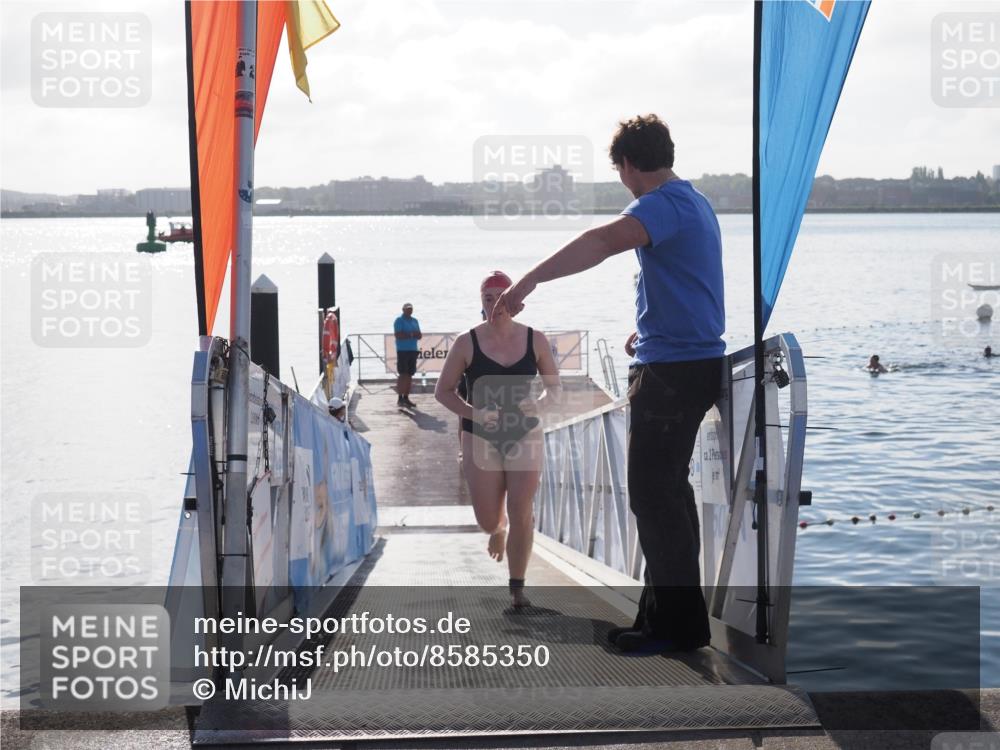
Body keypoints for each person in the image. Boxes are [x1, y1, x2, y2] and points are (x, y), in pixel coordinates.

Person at [492, 114, 724, 652]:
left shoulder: (661, 205)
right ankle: (665, 618)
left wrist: (528, 281)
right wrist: (650, 330)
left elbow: (600, 241)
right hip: (683, 360)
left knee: (654, 496)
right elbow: (691, 281)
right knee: (667, 494)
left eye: (619, 170)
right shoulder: (695, 202)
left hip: (672, 373)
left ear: (628, 165)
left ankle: (676, 628)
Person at [436, 271, 561, 608]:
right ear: (481, 302)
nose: (495, 305)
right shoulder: (466, 342)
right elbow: (442, 392)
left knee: (521, 507)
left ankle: (517, 589)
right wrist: (474, 414)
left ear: (515, 301)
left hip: (524, 431)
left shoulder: (535, 339)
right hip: (479, 435)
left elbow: (554, 389)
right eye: (487, 299)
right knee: (488, 519)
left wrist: (538, 404)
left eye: (501, 298)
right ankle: (498, 529)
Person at [393, 303, 422, 408]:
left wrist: (410, 334)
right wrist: (412, 334)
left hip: (413, 350)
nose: (409, 310)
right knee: (403, 374)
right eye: (407, 309)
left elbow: (419, 335)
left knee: (410, 374)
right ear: (403, 310)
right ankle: (400, 398)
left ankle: (406, 397)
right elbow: (399, 335)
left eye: (411, 309)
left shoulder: (415, 321)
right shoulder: (399, 320)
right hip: (402, 350)